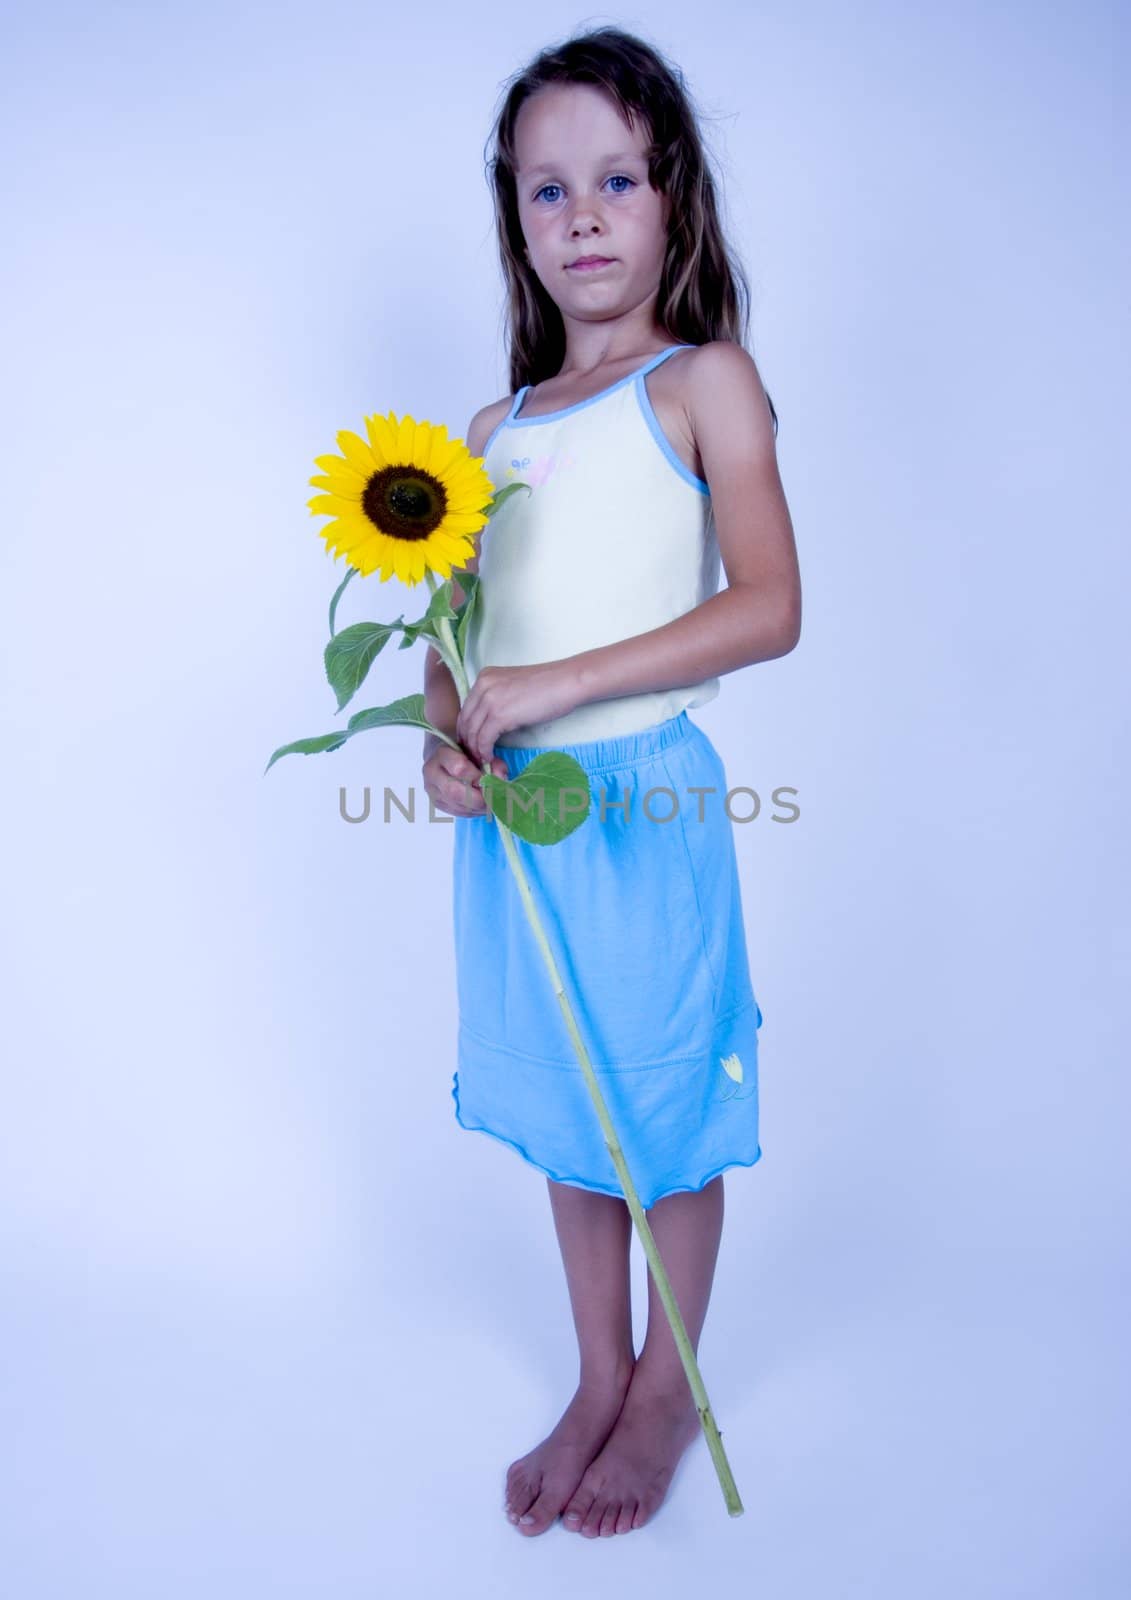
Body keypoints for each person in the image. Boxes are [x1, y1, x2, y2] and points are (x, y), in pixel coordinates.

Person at [421, 25, 801, 1539]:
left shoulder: (703, 383)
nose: (580, 214)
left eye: (616, 179)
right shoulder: (485, 435)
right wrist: (445, 738)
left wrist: (568, 686)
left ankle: (663, 1384)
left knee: (656, 1109)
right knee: (571, 1110)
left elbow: (770, 604)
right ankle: (595, 1369)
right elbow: (455, 640)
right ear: (514, 221)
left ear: (674, 200)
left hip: (642, 806)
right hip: (519, 830)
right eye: (544, 190)